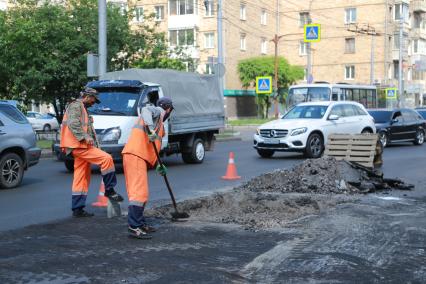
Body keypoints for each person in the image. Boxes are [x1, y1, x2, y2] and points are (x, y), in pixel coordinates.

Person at [60, 87, 123, 217]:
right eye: (94, 99)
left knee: (81, 178)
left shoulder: (82, 108)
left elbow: (88, 130)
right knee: (106, 159)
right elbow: (73, 123)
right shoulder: (76, 105)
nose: (94, 102)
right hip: (78, 145)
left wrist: (94, 144)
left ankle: (77, 209)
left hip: (79, 145)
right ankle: (110, 190)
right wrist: (84, 137)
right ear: (87, 96)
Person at [122, 97, 173, 239]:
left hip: (139, 157)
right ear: (168, 108)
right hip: (135, 155)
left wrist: (159, 165)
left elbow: (153, 148)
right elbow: (145, 110)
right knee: (139, 193)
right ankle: (134, 226)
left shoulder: (160, 124)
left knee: (142, 194)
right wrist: (151, 129)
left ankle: (140, 223)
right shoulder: (158, 111)